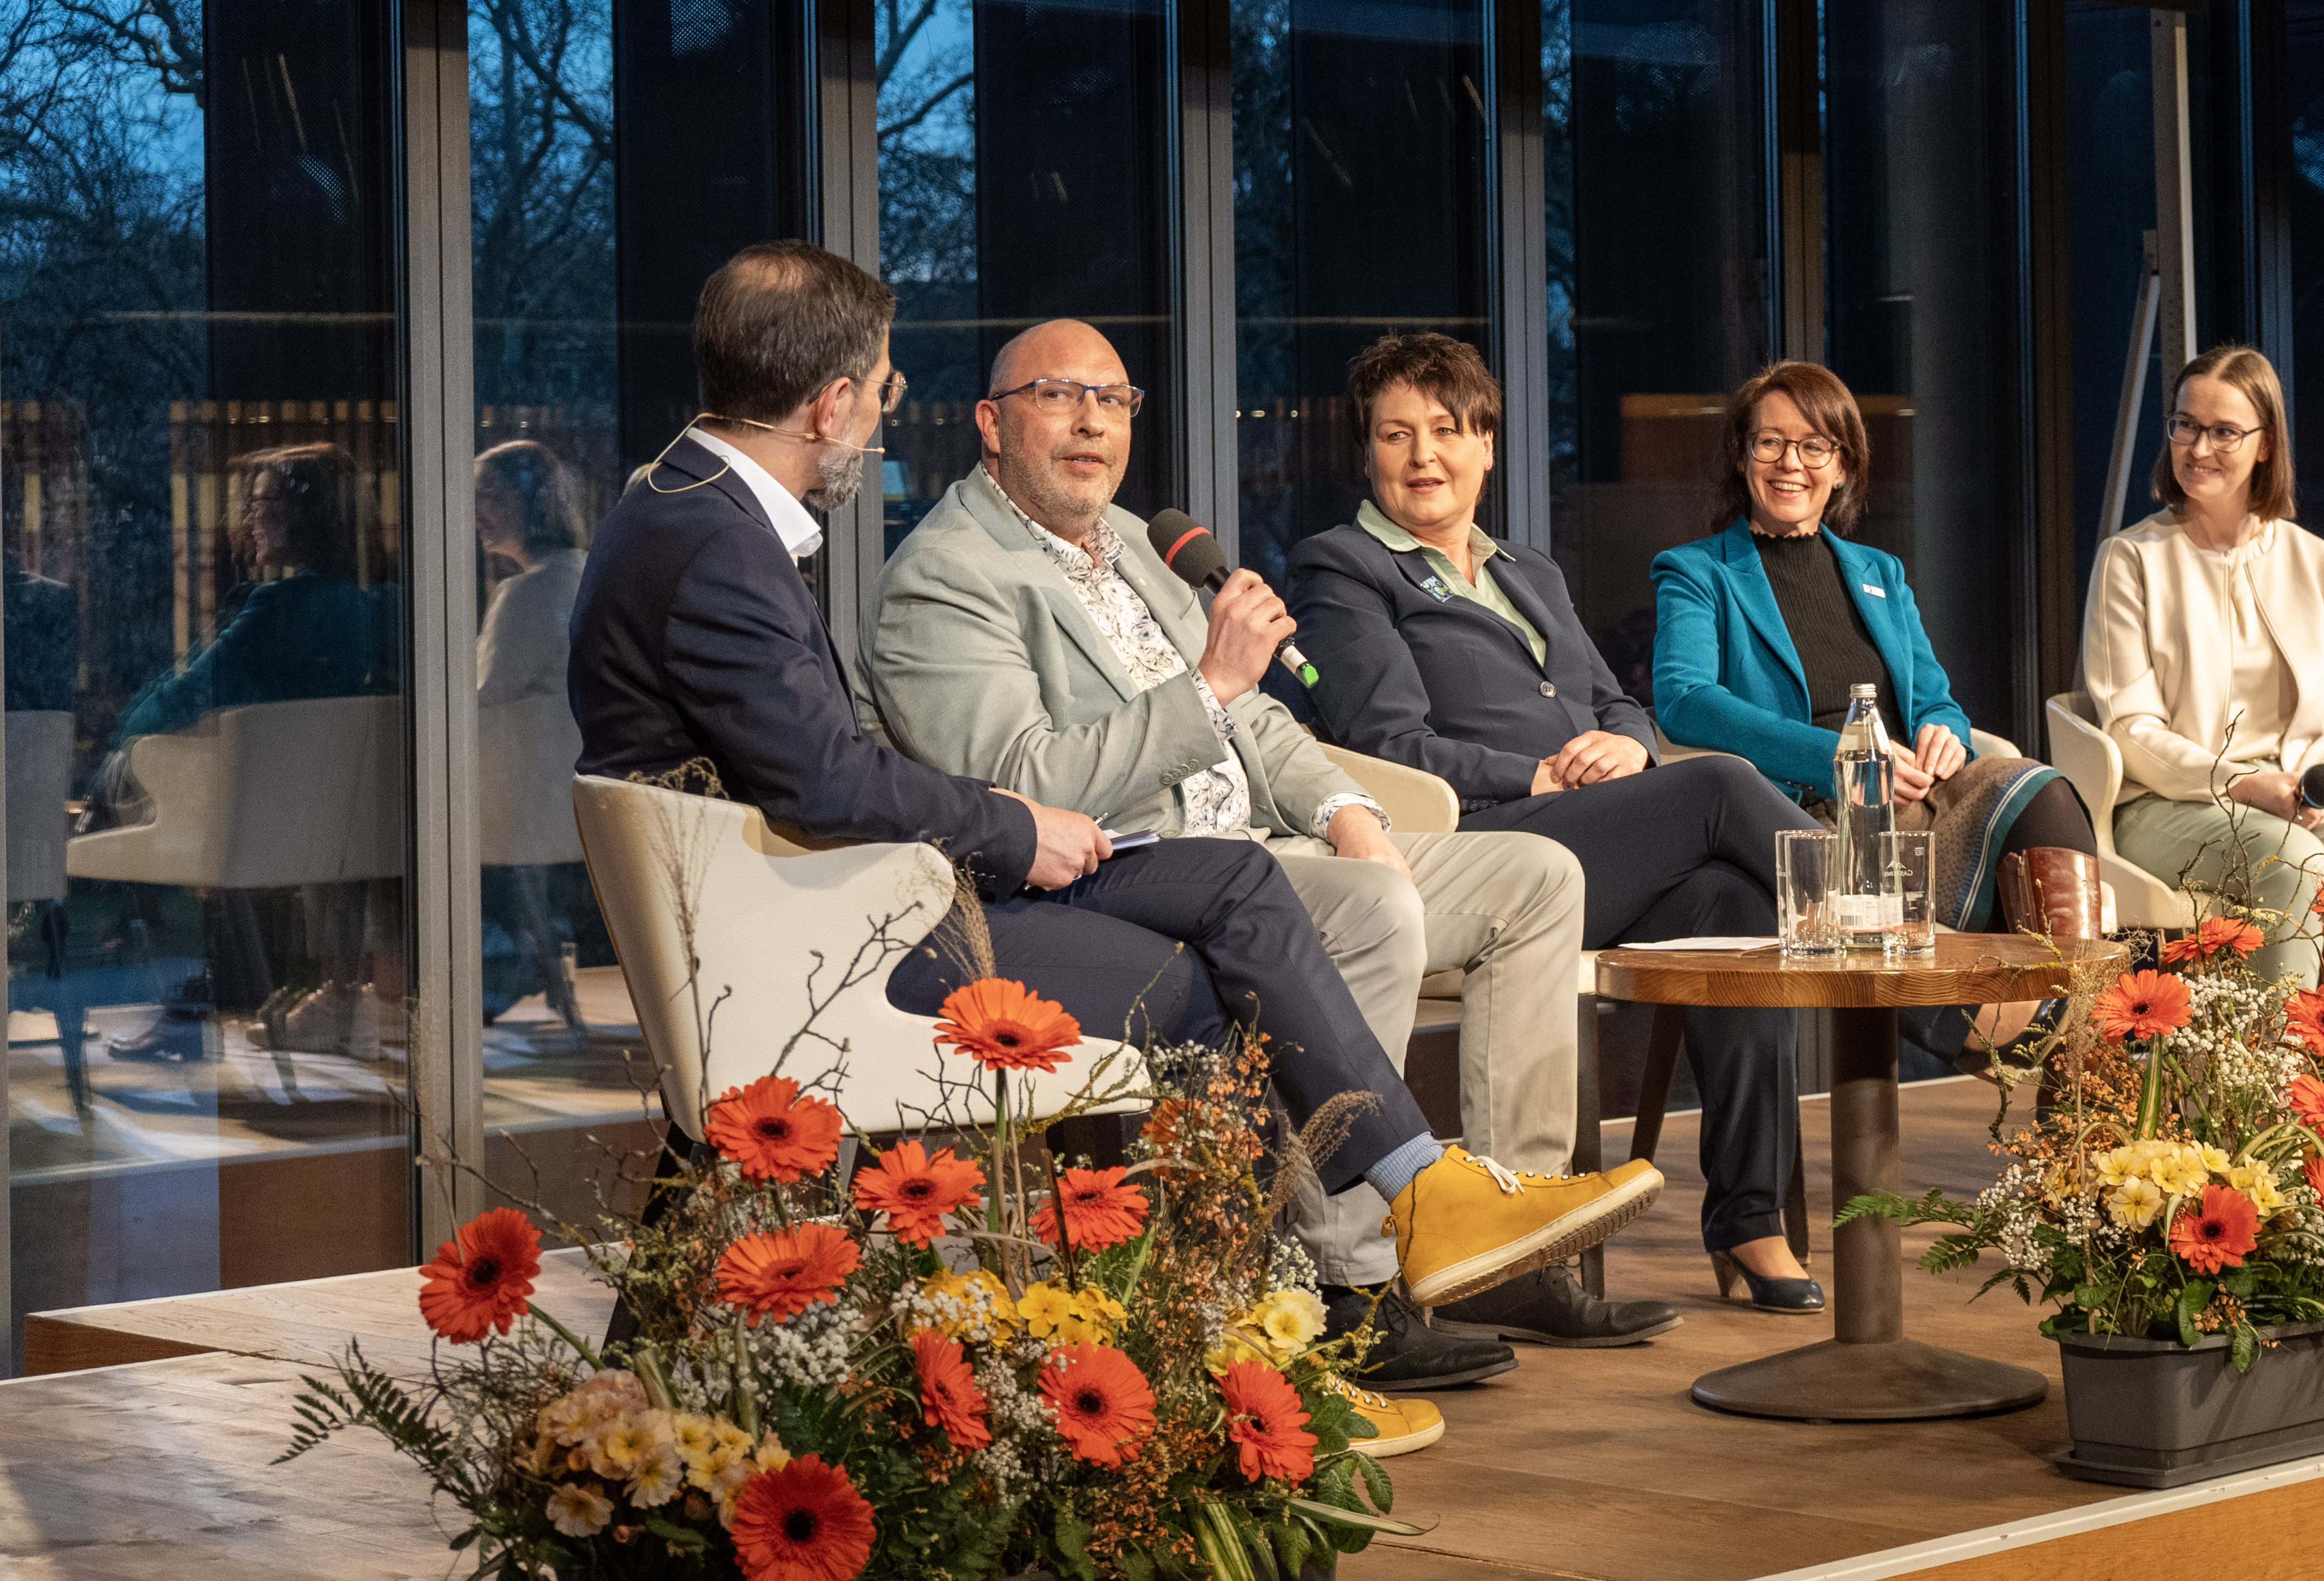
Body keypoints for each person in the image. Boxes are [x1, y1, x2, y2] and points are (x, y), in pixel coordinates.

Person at [568, 242, 1659, 1452]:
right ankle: (1250, 1363)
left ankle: (1402, 1213)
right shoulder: (724, 543)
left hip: (837, 901)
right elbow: (828, 778)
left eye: (1112, 398)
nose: (881, 414)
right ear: (830, 403)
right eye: (879, 389)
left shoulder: (682, 508)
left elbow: (822, 765)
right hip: (831, 941)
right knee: (1202, 987)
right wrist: (1012, 823)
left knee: (1242, 882)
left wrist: (1332, 801)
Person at [860, 314, 1665, 1390]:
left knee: (1534, 876)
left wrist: (1344, 808)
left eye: (1113, 400)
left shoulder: (1136, 544)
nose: (1091, 421)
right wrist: (1210, 686)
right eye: (1057, 396)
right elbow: (1022, 782)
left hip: (1266, 839)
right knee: (1373, 908)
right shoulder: (946, 576)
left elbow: (1259, 720)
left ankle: (1498, 1241)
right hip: (1141, 875)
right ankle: (1355, 1276)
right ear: (991, 424)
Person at [1288, 332, 1823, 1315]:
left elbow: (1613, 702)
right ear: (1366, 452)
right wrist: (1532, 772)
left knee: (1733, 903)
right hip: (1479, 848)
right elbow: (1385, 743)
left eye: (1446, 430)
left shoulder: (1526, 568)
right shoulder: (1343, 568)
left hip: (1589, 837)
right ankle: (1917, 963)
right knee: (1720, 786)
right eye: (1395, 435)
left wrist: (1630, 747)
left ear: (1486, 444)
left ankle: (1749, 1215)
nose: (1423, 456)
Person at [1650, 361, 2102, 1069]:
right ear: (1742, 456)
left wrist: (1946, 735)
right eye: (1770, 442)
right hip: (1804, 813)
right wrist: (1837, 757)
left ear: (1842, 466)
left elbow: (1935, 699)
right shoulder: (1696, 571)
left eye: (1813, 446)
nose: (1790, 462)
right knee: (1862, 853)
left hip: (1917, 797)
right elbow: (1685, 699)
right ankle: (1993, 1033)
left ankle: (2079, 1017)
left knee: (2039, 786)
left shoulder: (1878, 571)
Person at [2079, 346, 2324, 982]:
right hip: (2170, 802)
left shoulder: (2315, 560)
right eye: (2185, 425)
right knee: (2292, 861)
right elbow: (2130, 730)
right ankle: (2278, 1049)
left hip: (2297, 797)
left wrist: (2318, 786)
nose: (2198, 447)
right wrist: (2243, 784)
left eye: (2224, 431)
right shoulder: (2131, 559)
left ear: (2266, 444)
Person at [102, 442, 400, 1060]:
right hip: (354, 824)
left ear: (311, 516)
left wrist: (120, 741)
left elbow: (180, 700)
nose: (249, 518)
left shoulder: (278, 609)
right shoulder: (387, 609)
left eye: (266, 504)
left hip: (264, 829)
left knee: (117, 789)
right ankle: (337, 994)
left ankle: (186, 1000)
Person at [474, 438, 590, 1041]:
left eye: (492, 496)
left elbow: (479, 700)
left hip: (522, 810)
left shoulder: (525, 594)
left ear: (532, 503)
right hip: (575, 801)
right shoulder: (587, 575)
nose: (478, 512)